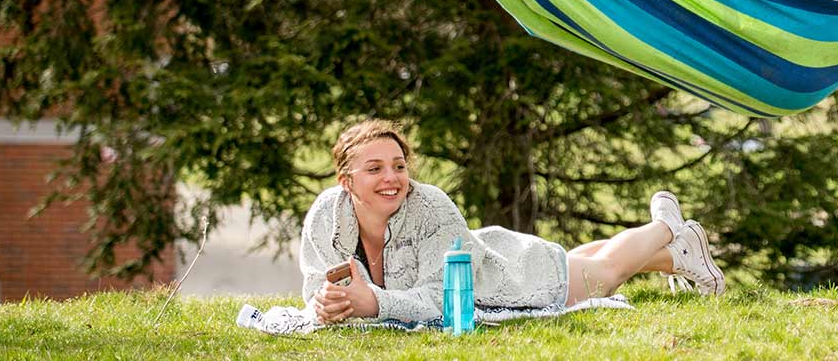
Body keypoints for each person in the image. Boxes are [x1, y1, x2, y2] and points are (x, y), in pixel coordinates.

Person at [300, 119, 724, 325]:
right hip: (486, 252)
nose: (392, 178)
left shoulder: (432, 206)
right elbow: (314, 286)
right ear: (346, 180)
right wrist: (324, 304)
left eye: (398, 165)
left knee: (606, 273)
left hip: (517, 279)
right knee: (586, 261)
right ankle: (676, 255)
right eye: (374, 169)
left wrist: (372, 303)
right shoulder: (326, 215)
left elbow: (440, 302)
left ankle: (668, 228)